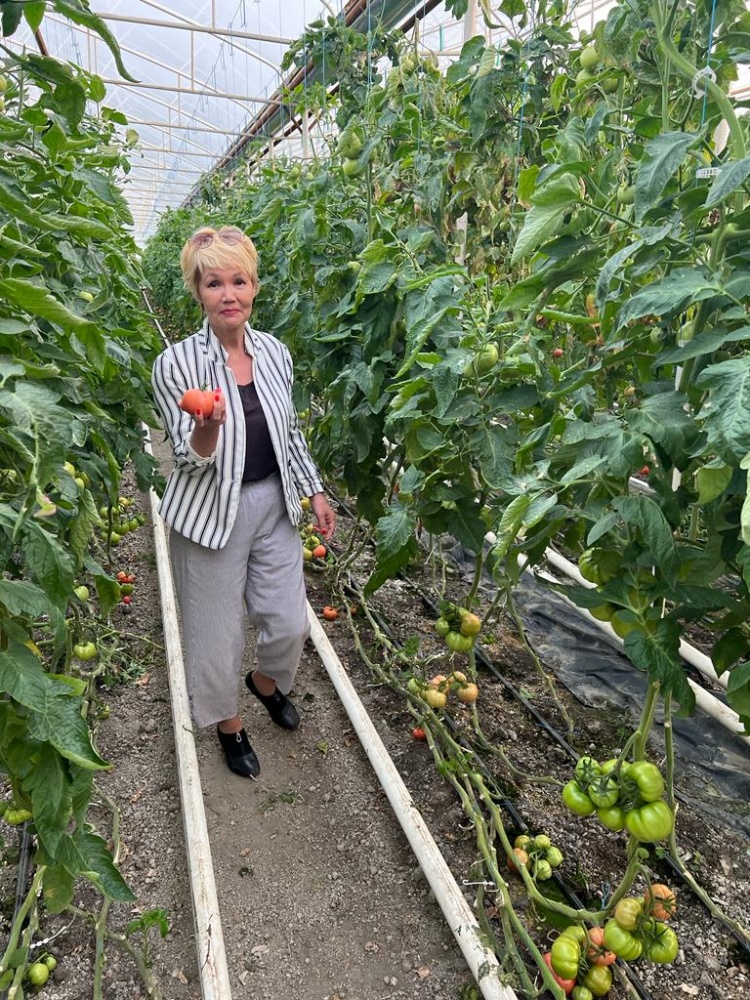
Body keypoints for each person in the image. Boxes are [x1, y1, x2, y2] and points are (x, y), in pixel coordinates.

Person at [151, 225, 336, 778]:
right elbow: (187, 460)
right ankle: (229, 724)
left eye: (239, 281)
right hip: (209, 515)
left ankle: (264, 681)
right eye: (214, 283)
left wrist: (314, 489)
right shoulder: (176, 365)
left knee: (290, 622)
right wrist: (207, 427)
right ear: (197, 292)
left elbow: (290, 431)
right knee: (216, 633)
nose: (228, 294)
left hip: (272, 504)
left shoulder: (275, 353)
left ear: (254, 286)